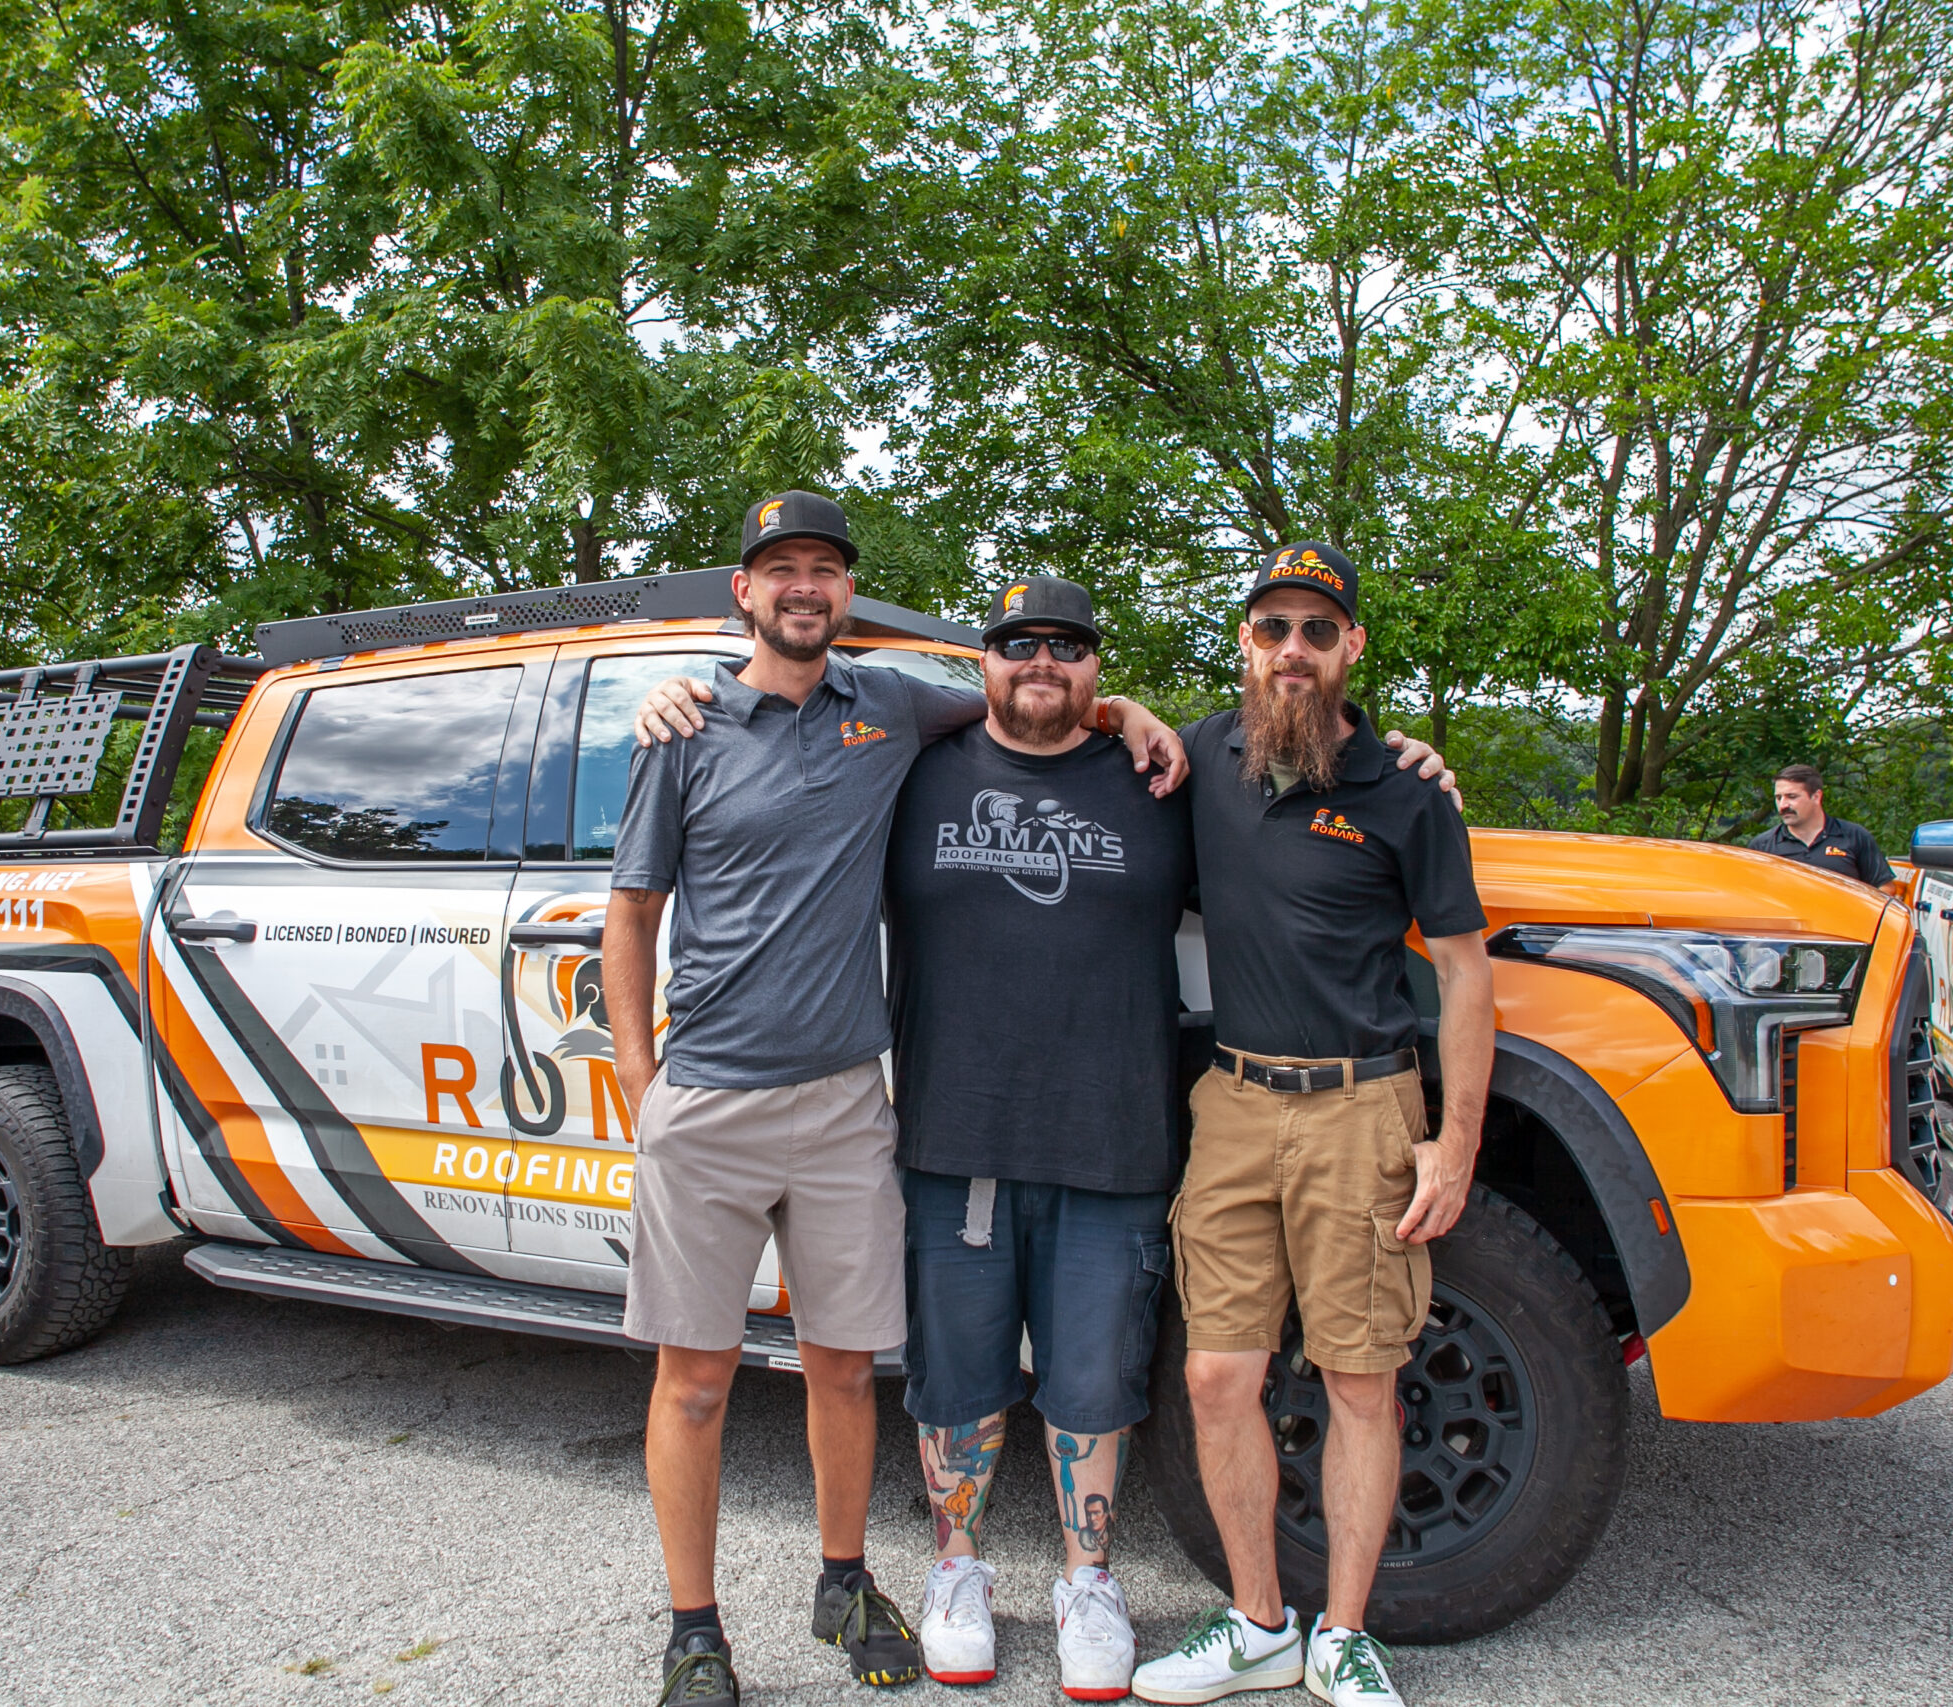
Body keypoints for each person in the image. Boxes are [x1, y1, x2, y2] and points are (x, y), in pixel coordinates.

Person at [603, 491, 1190, 1707]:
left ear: (846, 595)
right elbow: (630, 914)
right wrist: (638, 1084)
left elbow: (1027, 697)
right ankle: (693, 1633)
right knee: (696, 1377)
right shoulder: (683, 723)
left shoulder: (890, 706)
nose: (803, 588)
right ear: (745, 594)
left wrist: (1125, 708)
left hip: (842, 1103)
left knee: (840, 1364)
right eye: (781, 571)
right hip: (705, 1098)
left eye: (824, 570)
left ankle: (844, 1580)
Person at [1130, 542, 1495, 1707]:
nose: (1293, 650)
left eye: (1316, 631)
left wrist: (1457, 1140)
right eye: (1272, 628)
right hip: (1232, 1106)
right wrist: (1130, 706)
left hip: (1363, 1112)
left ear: (1351, 649)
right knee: (1215, 1377)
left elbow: (1467, 974)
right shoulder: (1202, 757)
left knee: (1359, 1383)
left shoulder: (1405, 792)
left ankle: (1342, 1634)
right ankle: (1255, 1624)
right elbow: (1057, 711)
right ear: (1246, 643)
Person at [882, 575, 1195, 1701]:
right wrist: (689, 699)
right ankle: (956, 1572)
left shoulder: (1163, 782)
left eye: (1067, 646)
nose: (1042, 663)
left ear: (1096, 670)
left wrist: (1413, 762)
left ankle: (1087, 1583)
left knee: (1090, 1383)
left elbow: (1285, 818)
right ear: (984, 662)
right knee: (954, 1379)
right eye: (1019, 645)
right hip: (953, 1138)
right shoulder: (913, 772)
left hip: (1112, 1143)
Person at [1749, 764, 1894, 887]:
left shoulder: (1854, 836)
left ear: (1816, 796)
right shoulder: (1762, 847)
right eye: (1778, 798)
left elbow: (1885, 888)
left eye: (1792, 797)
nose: (1783, 805)